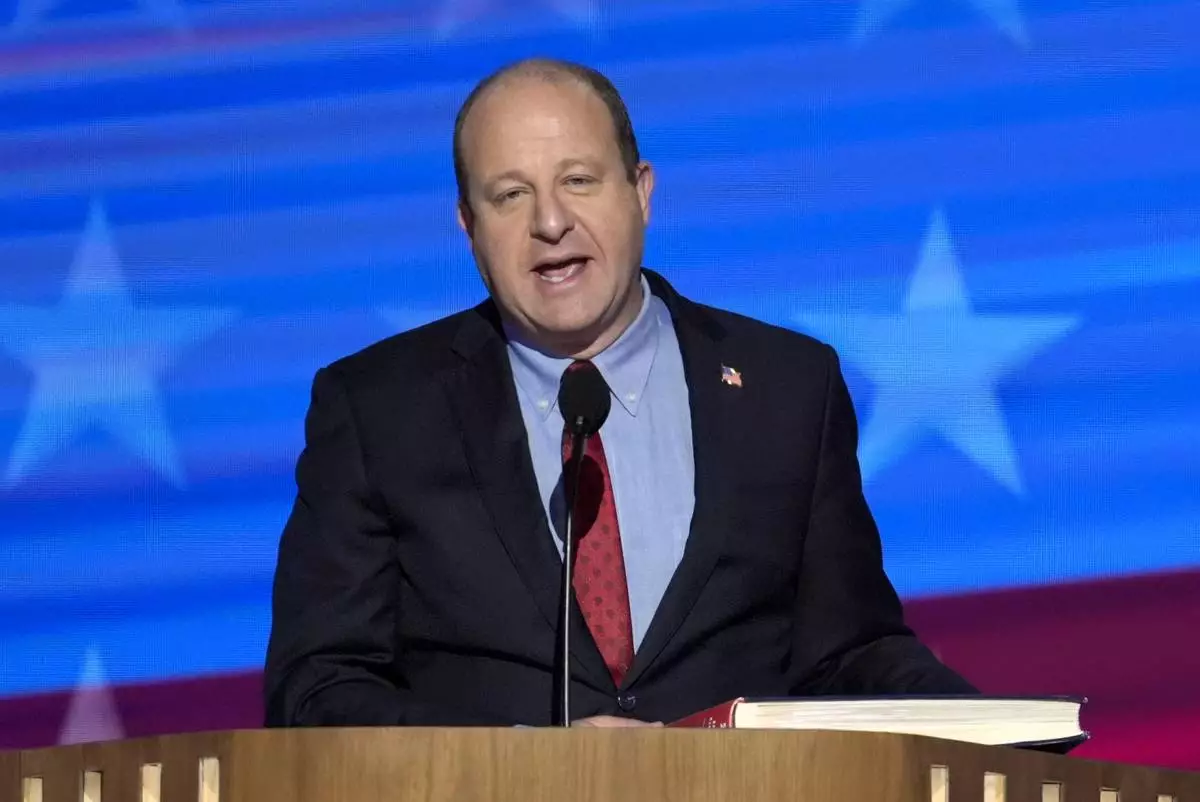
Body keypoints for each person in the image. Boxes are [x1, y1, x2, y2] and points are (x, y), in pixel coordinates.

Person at [262, 57, 977, 729]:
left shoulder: (788, 388)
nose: (549, 223)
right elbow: (319, 686)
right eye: (510, 195)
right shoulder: (379, 409)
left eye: (578, 181)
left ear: (641, 193)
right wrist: (525, 767)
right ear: (469, 229)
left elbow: (848, 656)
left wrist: (1008, 729)